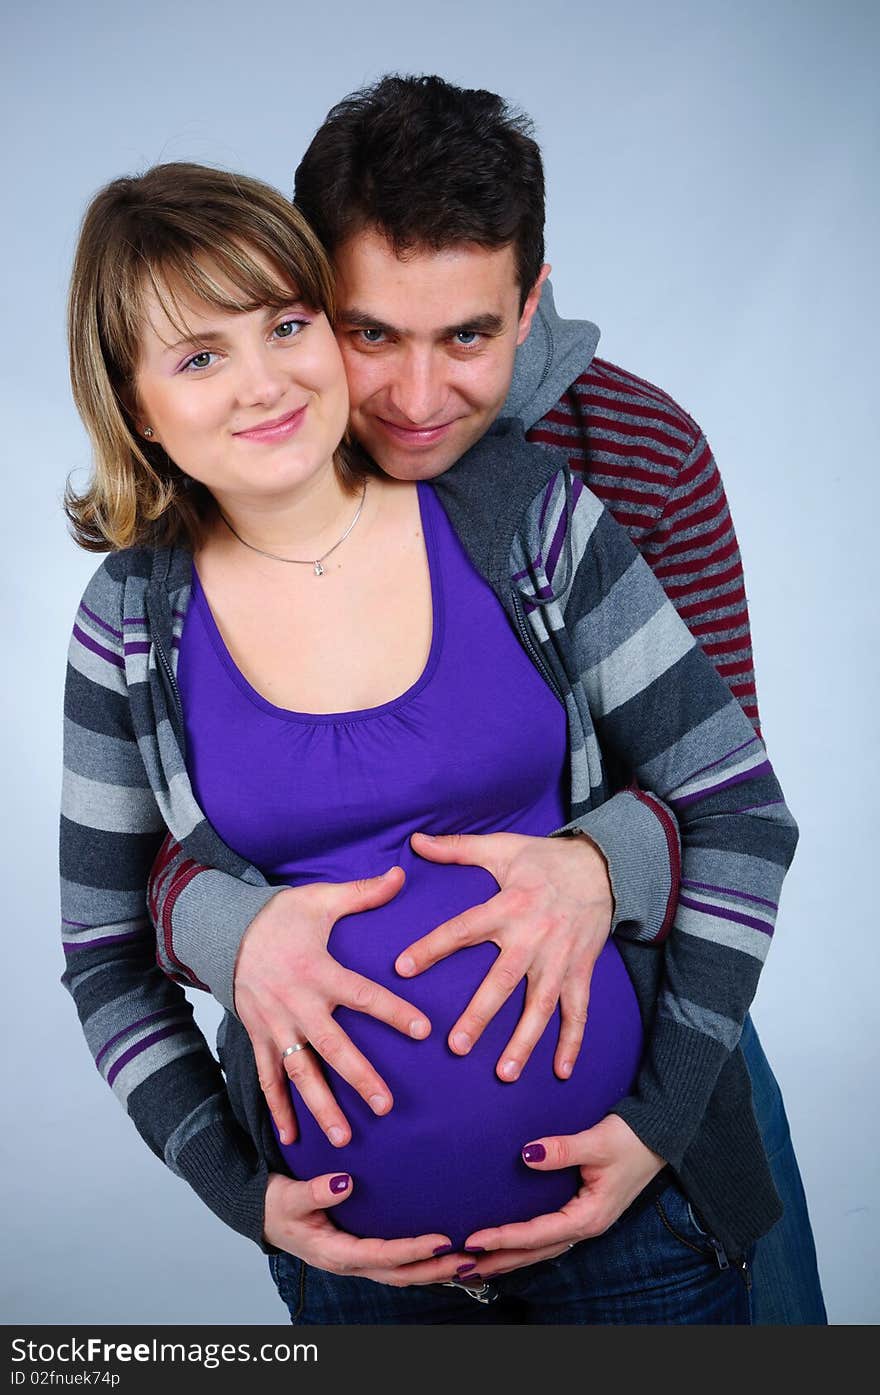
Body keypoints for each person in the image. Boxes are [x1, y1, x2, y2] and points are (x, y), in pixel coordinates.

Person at [62, 159, 795, 1326]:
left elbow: (733, 806)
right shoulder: (132, 621)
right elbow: (103, 948)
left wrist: (656, 1121)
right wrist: (236, 1188)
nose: (263, 384)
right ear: (135, 403)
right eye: (200, 356)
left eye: (284, 327)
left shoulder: (533, 504)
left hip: (638, 1217)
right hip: (365, 1279)